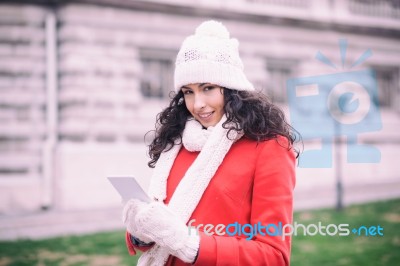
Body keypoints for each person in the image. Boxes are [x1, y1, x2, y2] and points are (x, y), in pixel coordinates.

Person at [122, 20, 299, 266]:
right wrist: (140, 232)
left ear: (232, 89)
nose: (197, 104)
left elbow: (273, 256)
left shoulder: (269, 148)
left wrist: (189, 243)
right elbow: (165, 228)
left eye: (208, 88)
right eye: (188, 91)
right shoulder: (176, 144)